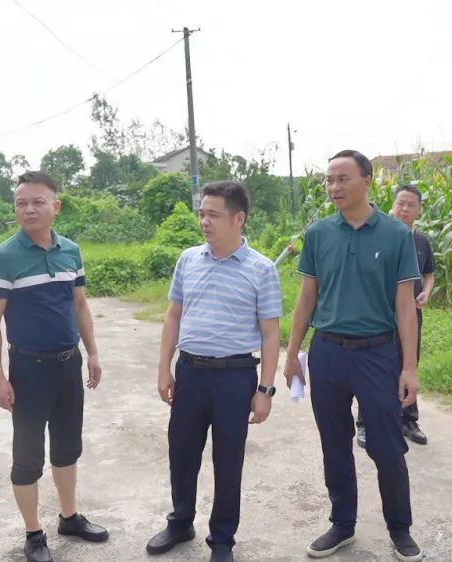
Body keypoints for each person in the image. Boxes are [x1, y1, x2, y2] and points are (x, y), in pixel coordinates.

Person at [283, 150, 424, 561]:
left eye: (342, 179)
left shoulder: (396, 235)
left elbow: (405, 306)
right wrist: (292, 354)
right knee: (334, 442)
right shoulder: (319, 233)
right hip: (327, 351)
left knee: (386, 445)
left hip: (378, 353)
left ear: (367, 180)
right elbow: (306, 298)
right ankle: (342, 524)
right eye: (329, 180)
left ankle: (400, 528)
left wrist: (409, 367)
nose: (334, 187)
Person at [145, 181, 282, 562]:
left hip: (235, 378)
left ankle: (222, 539)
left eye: (214, 215)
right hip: (190, 373)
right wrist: (164, 369)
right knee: (181, 452)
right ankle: (180, 522)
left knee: (228, 460)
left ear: (239, 219)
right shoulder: (188, 260)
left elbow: (271, 334)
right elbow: (173, 316)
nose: (205, 221)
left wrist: (265, 390)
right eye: (202, 213)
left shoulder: (261, 269)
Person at [0, 171, 107, 562]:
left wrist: (93, 352)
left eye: (38, 202)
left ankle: (69, 517)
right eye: (21, 203)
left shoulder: (71, 250)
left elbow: (80, 305)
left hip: (68, 365)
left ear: (56, 206)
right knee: (27, 456)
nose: (29, 209)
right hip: (28, 371)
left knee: (68, 446)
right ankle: (34, 533)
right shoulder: (5, 257)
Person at [356, 184, 435, 447]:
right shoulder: (380, 236)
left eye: (411, 205)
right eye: (400, 203)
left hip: (412, 314)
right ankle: (365, 423)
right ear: (392, 205)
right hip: (381, 315)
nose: (405, 209)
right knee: (375, 367)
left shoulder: (421, 241)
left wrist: (426, 292)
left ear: (419, 209)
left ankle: (408, 420)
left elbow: (429, 274)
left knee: (409, 363)